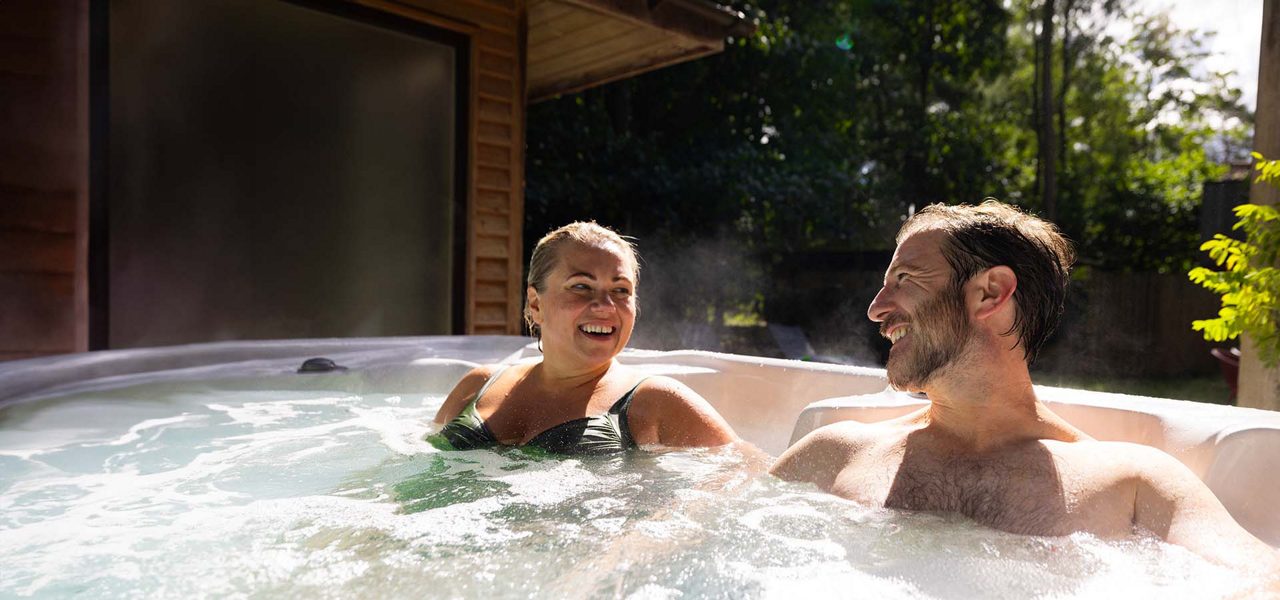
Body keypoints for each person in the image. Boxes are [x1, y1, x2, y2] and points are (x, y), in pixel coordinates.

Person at [771, 200, 1279, 569]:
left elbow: (1254, 581)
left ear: (990, 292)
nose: (876, 308)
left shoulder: (1131, 485)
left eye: (904, 279)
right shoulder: (835, 452)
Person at [429, 221, 739, 455]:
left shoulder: (655, 402)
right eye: (581, 286)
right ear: (536, 304)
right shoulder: (478, 386)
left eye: (621, 290)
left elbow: (750, 480)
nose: (605, 306)